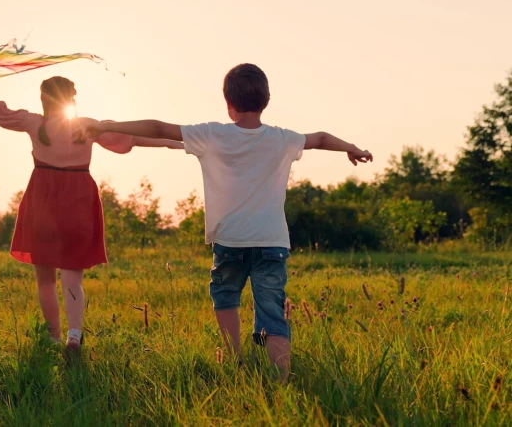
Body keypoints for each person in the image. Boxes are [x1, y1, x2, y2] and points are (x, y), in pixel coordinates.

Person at [78, 63, 372, 380]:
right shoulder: (282, 139)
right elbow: (321, 137)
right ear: (267, 100)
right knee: (273, 311)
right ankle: (282, 380)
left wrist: (105, 125)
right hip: (272, 242)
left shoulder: (212, 134)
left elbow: (160, 128)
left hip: (230, 240)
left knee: (226, 297)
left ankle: (234, 361)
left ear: (228, 104)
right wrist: (351, 148)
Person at [0, 63, 183, 351]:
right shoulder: (88, 125)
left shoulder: (34, 124)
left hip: (42, 199)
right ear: (72, 98)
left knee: (45, 279)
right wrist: (178, 144)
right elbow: (135, 138)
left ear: (43, 99)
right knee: (72, 276)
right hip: (78, 199)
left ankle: (54, 337)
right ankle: (73, 334)